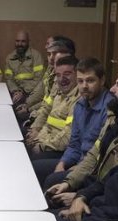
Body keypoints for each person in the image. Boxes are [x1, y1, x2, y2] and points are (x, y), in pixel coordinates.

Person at [44, 65, 118, 195]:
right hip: (95, 183)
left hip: (105, 194)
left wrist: (81, 196)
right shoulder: (116, 115)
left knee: (51, 185)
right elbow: (94, 153)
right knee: (53, 184)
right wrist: (69, 182)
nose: (112, 89)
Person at [32, 57, 111, 186]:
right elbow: (74, 144)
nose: (84, 86)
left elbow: (101, 154)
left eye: (90, 81)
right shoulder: (80, 105)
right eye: (80, 81)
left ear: (102, 81)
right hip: (77, 160)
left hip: (92, 169)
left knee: (50, 179)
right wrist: (62, 163)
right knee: (35, 168)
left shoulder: (108, 109)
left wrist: (77, 168)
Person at [25, 56, 80, 183]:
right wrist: (38, 138)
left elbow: (67, 136)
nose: (62, 79)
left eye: (67, 74)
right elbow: (48, 121)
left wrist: (42, 145)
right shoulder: (60, 93)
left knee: (30, 165)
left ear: (77, 74)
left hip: (62, 150)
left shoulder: (78, 100)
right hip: (50, 142)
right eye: (58, 75)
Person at [18, 36, 75, 122]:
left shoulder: (69, 77)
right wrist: (27, 105)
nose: (51, 58)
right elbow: (43, 96)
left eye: (55, 53)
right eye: (49, 54)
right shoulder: (50, 70)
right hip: (43, 115)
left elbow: (50, 108)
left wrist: (30, 111)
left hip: (49, 122)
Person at [4, 30, 44, 105]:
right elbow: (9, 79)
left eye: (23, 41)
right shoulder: (9, 58)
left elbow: (39, 78)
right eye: (17, 41)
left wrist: (23, 92)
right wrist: (16, 91)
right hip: (16, 93)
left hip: (33, 93)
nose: (20, 44)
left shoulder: (36, 56)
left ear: (28, 42)